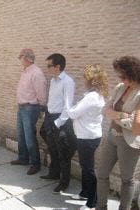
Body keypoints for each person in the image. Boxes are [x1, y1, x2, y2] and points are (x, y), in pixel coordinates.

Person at [96, 56, 140, 210]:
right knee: (101, 174)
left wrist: (114, 115)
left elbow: (136, 126)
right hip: (112, 137)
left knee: (127, 179)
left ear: (132, 73)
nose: (120, 78)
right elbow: (104, 110)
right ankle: (101, 207)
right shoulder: (120, 87)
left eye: (122, 75)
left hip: (129, 142)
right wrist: (123, 115)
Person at [67, 65, 108, 210]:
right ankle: (84, 193)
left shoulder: (91, 97)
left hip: (87, 138)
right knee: (85, 167)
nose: (83, 80)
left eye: (85, 77)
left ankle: (92, 203)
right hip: (89, 136)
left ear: (91, 80)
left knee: (88, 168)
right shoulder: (96, 95)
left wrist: (70, 107)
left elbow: (72, 114)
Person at [40, 53, 77, 193]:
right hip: (50, 117)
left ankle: (64, 182)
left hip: (60, 120)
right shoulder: (53, 80)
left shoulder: (68, 82)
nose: (47, 68)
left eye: (49, 66)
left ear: (58, 67)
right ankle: (54, 173)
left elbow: (68, 107)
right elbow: (53, 101)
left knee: (63, 153)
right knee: (52, 148)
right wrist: (47, 116)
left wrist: (57, 123)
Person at [10, 49, 47, 175]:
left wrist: (41, 107)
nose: (19, 59)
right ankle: (23, 158)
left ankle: (35, 164)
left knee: (29, 136)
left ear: (28, 58)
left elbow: (41, 93)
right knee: (21, 135)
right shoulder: (25, 71)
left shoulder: (36, 73)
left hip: (30, 108)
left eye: (21, 56)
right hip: (21, 108)